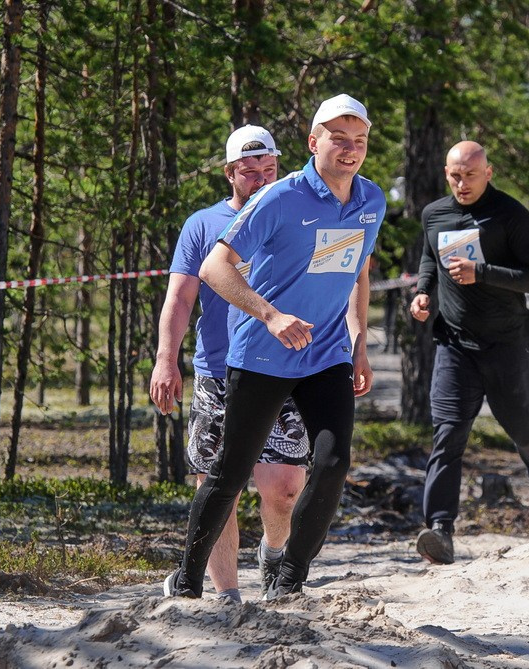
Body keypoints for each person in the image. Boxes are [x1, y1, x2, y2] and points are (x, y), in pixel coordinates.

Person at [163, 93, 385, 600]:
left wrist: (359, 344)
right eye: (338, 139)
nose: (350, 149)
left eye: (359, 140)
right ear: (313, 142)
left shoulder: (372, 200)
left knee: (332, 464)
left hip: (326, 354)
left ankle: (288, 581)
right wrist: (271, 315)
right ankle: (188, 581)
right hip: (262, 354)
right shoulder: (280, 197)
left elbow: (357, 273)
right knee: (229, 472)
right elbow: (213, 268)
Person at [150, 124, 310, 601]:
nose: (261, 179)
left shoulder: (295, 217)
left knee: (284, 487)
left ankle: (273, 552)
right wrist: (166, 359)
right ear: (229, 173)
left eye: (269, 170)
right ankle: (228, 597)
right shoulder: (203, 225)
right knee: (219, 487)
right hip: (218, 372)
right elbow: (180, 298)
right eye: (249, 171)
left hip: (283, 368)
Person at [408, 140, 529, 565]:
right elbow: (429, 258)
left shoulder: (510, 215)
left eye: (470, 176)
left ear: (488, 173)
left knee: (522, 430)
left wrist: (481, 272)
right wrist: (423, 292)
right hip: (455, 345)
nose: (462, 184)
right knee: (447, 434)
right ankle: (440, 530)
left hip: (506, 345)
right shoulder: (434, 214)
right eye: (454, 176)